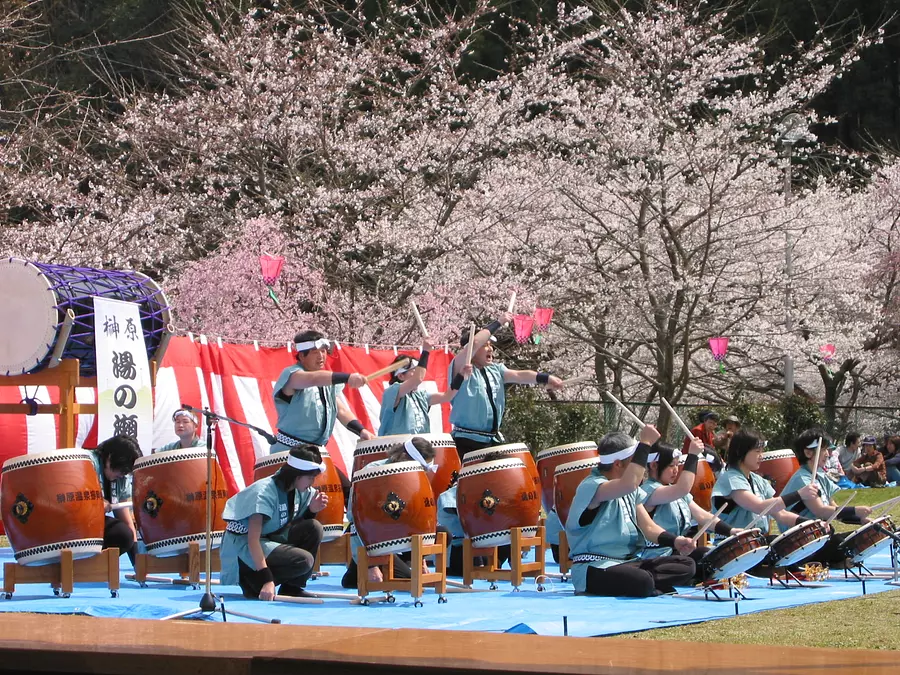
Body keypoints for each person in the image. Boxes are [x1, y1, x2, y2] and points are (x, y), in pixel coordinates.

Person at [565, 425, 697, 597]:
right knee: (641, 580)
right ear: (618, 463)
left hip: (630, 563)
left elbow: (648, 528)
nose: (641, 466)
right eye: (635, 460)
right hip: (595, 566)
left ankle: (648, 584)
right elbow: (629, 483)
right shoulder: (592, 486)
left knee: (687, 565)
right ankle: (648, 584)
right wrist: (646, 442)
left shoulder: (631, 490)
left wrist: (676, 541)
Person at [448, 313, 564, 459]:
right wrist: (499, 322)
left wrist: (546, 377)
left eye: (491, 345)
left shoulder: (496, 369)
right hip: (466, 441)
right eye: (485, 345)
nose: (490, 349)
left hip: (491, 440)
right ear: (470, 350)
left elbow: (519, 375)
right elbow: (475, 341)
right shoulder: (459, 367)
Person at [220, 444, 327, 600]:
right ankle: (253, 582)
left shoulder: (299, 490)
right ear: (297, 475)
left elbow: (294, 525)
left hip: (269, 539)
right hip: (244, 548)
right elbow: (252, 541)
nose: (312, 482)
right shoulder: (263, 493)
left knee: (313, 528)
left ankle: (292, 587)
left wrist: (312, 510)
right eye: (310, 477)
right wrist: (267, 580)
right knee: (304, 560)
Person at [341, 436, 437, 588]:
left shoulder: (412, 478)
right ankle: (358, 571)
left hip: (402, 537)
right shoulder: (372, 472)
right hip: (376, 541)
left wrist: (421, 559)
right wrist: (370, 566)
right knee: (408, 580)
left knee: (442, 533)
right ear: (406, 458)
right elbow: (355, 520)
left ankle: (401, 563)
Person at [640, 440, 740, 581]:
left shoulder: (676, 492)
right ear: (654, 465)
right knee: (689, 566)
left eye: (677, 465)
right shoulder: (648, 491)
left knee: (709, 555)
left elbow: (702, 516)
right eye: (671, 466)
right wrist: (692, 455)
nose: (676, 470)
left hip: (677, 555)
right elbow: (682, 488)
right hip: (655, 557)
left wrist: (731, 531)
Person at [270, 330, 376, 456]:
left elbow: (341, 411)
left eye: (323, 351)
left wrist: (361, 430)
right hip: (289, 452)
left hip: (315, 452)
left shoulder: (327, 382)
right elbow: (313, 378)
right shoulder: (292, 375)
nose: (321, 356)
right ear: (302, 356)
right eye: (315, 352)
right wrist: (348, 377)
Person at [779, 428, 872, 566]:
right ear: (808, 452)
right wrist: (855, 510)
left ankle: (835, 561)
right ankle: (834, 561)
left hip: (816, 536)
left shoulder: (821, 477)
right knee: (843, 544)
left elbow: (833, 510)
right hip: (797, 542)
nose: (828, 454)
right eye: (824, 450)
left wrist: (861, 520)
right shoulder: (802, 478)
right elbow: (820, 510)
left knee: (864, 536)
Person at [711, 428, 819, 534]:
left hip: (754, 543)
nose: (761, 456)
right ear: (740, 451)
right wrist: (799, 494)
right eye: (757, 451)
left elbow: (781, 515)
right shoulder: (731, 478)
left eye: (762, 451)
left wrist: (812, 524)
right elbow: (760, 507)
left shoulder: (758, 480)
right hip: (731, 544)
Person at [378, 337, 472, 436]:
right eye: (413, 371)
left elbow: (447, 396)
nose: (418, 373)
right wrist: (426, 351)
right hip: (397, 447)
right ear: (401, 376)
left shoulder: (420, 396)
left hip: (418, 445)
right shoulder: (391, 392)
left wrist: (460, 375)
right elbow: (417, 379)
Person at [89, 435, 141, 563]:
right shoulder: (87, 462)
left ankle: (92, 564)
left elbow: (126, 519)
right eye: (122, 469)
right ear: (110, 457)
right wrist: (94, 504)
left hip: (94, 526)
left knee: (124, 534)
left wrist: (137, 564)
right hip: (75, 522)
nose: (123, 474)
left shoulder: (121, 479)